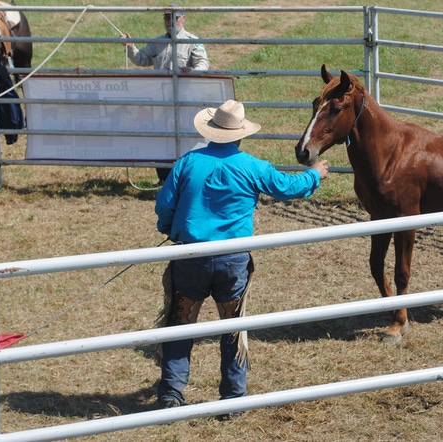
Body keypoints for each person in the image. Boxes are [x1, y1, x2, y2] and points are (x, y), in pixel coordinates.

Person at [154, 100, 329, 420]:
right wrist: (314, 175)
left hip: (190, 256)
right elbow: (287, 187)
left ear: (211, 131)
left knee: (180, 322)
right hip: (232, 261)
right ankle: (233, 398)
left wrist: (169, 229)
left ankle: (171, 392)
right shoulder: (251, 166)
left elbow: (165, 205)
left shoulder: (188, 163)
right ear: (240, 134)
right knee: (234, 327)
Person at [122, 4, 210, 184]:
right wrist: (130, 47)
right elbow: (140, 59)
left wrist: (192, 71)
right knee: (161, 138)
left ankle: (188, 178)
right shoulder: (157, 43)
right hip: (161, 101)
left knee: (185, 137)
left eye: (174, 17)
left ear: (183, 19)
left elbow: (203, 64)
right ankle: (163, 179)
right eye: (167, 17)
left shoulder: (193, 41)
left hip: (184, 99)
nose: (170, 21)